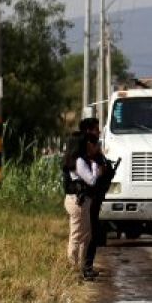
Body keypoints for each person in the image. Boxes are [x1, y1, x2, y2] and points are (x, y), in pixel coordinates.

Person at [66, 136, 105, 278]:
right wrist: (95, 167)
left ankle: (79, 268)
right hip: (79, 202)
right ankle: (74, 269)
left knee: (83, 235)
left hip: (76, 200)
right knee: (78, 236)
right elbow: (92, 180)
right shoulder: (80, 161)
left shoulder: (72, 160)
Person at [79, 117, 110, 278]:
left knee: (92, 233)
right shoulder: (85, 149)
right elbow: (92, 176)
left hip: (94, 196)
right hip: (88, 197)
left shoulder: (93, 148)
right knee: (88, 234)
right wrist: (100, 168)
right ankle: (85, 267)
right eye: (96, 130)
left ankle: (87, 266)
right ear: (89, 131)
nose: (98, 133)